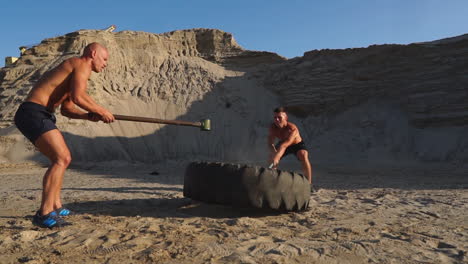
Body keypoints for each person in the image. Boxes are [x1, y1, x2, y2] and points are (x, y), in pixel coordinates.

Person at [14, 42, 115, 228]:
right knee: (62, 158)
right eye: (105, 58)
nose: (106, 63)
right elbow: (79, 97)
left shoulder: (76, 72)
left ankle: (56, 206)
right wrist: (102, 111)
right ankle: (44, 213)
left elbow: (67, 109)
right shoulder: (80, 63)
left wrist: (88, 116)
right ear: (93, 53)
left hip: (41, 114)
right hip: (33, 112)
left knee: (62, 159)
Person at [267, 107, 313, 186]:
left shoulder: (292, 129)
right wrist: (273, 152)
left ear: (286, 118)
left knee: (303, 154)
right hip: (283, 143)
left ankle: (309, 184)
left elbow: (285, 145)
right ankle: (272, 181)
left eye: (279, 117)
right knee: (271, 158)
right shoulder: (273, 127)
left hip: (296, 144)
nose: (277, 120)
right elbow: (270, 142)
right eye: (275, 117)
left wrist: (277, 156)